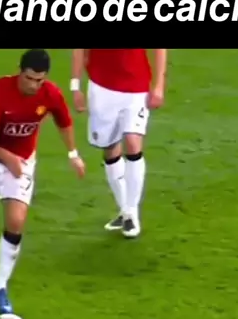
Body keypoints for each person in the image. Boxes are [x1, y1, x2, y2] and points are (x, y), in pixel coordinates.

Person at [0, 48, 85, 315]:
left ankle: (0, 288)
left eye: (39, 80)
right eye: (29, 78)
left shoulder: (50, 94)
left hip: (21, 161)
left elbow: (63, 120)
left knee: (16, 221)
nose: (33, 85)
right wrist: (6, 157)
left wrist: (73, 154)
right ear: (19, 72)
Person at [70, 49, 167, 238]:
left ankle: (131, 212)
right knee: (110, 148)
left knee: (133, 142)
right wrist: (75, 86)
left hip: (136, 87)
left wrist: (159, 85)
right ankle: (125, 210)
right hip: (101, 88)